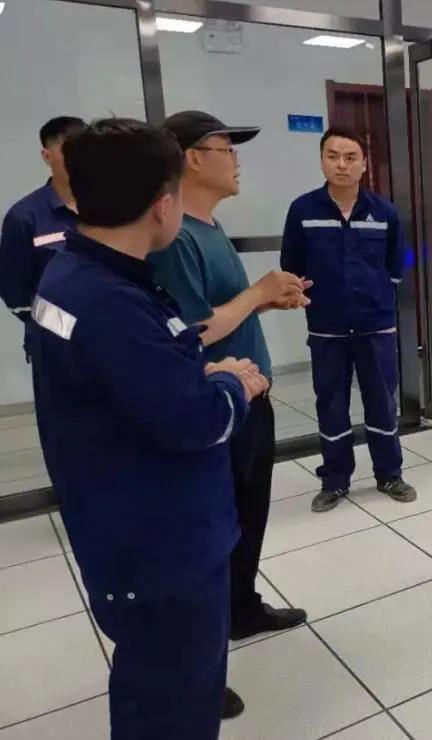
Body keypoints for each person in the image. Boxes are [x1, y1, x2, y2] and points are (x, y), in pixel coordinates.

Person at [29, 117, 270, 739]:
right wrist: (232, 384)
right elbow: (196, 420)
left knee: (151, 688)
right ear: (163, 205)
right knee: (175, 702)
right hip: (161, 545)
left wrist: (191, 369)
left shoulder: (70, 275)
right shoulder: (110, 301)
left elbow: (125, 379)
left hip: (121, 523)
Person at [149, 111, 309, 648]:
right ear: (192, 159)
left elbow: (221, 311)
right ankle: (209, 632)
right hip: (217, 403)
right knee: (221, 524)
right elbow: (192, 331)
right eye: (227, 149)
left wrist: (266, 301)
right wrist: (258, 292)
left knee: (250, 512)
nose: (237, 160)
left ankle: (241, 608)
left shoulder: (209, 227)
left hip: (249, 396)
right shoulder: (177, 239)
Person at [281, 126, 416, 513]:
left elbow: (397, 264)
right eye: (333, 156)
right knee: (331, 403)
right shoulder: (303, 210)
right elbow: (291, 264)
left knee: (381, 403)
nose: (342, 164)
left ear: (364, 164)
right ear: (322, 161)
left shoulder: (384, 212)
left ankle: (389, 473)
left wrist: (374, 294)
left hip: (376, 326)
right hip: (327, 328)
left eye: (350, 157)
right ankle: (335, 479)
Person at [0, 116, 85, 355]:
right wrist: (72, 328)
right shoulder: (24, 218)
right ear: (47, 157)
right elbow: (17, 299)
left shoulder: (111, 208)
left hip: (115, 341)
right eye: (69, 151)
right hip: (57, 351)